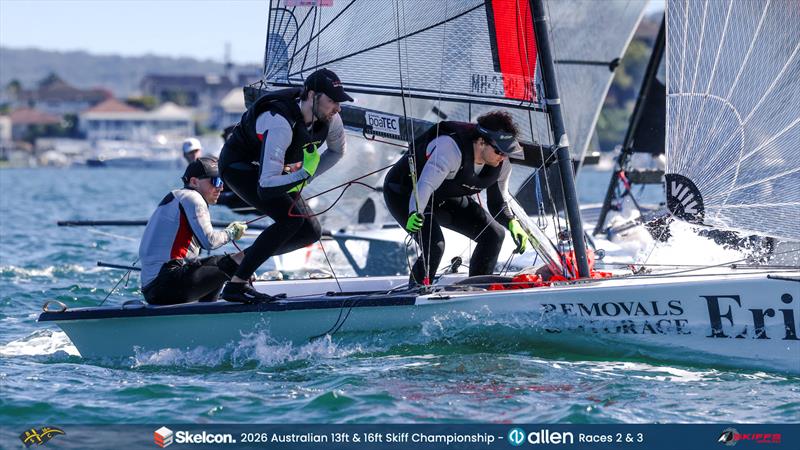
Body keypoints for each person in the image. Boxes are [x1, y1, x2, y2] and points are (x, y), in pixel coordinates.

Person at [218, 68, 353, 302]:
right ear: (312, 95)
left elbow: (336, 152)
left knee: (311, 231)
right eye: (332, 101)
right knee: (290, 220)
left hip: (273, 173)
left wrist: (306, 176)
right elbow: (266, 186)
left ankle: (236, 263)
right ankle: (236, 286)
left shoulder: (331, 119)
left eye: (339, 102)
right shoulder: (279, 121)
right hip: (239, 168)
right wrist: (301, 175)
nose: (337, 108)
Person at [383, 110, 531, 285]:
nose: (503, 157)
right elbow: (425, 186)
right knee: (435, 246)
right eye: (499, 151)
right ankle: (414, 295)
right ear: (481, 142)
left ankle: (478, 290)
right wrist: (415, 212)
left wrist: (512, 222)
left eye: (507, 152)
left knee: (494, 235)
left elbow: (497, 202)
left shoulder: (502, 165)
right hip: (406, 193)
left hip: (443, 197)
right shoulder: (450, 149)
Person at [138, 156, 252, 305]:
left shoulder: (179, 196)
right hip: (164, 285)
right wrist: (231, 232)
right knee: (235, 264)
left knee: (227, 261)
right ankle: (214, 309)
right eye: (215, 181)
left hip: (157, 286)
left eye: (222, 182)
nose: (221, 187)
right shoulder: (193, 198)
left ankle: (208, 309)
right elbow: (209, 242)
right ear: (194, 182)